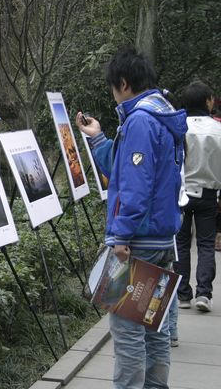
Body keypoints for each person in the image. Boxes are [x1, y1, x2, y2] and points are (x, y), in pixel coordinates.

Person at [75, 45, 187, 389]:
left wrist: (120, 237)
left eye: (113, 87)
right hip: (162, 238)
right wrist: (99, 139)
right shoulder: (161, 114)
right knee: (153, 327)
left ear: (123, 83)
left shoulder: (139, 120)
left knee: (127, 333)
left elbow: (135, 188)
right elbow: (127, 171)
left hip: (137, 242)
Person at [173, 80, 221, 312]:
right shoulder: (218, 129)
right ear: (208, 101)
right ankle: (204, 293)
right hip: (209, 194)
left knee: (181, 243)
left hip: (180, 193)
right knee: (205, 244)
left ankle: (183, 295)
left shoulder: (178, 127)